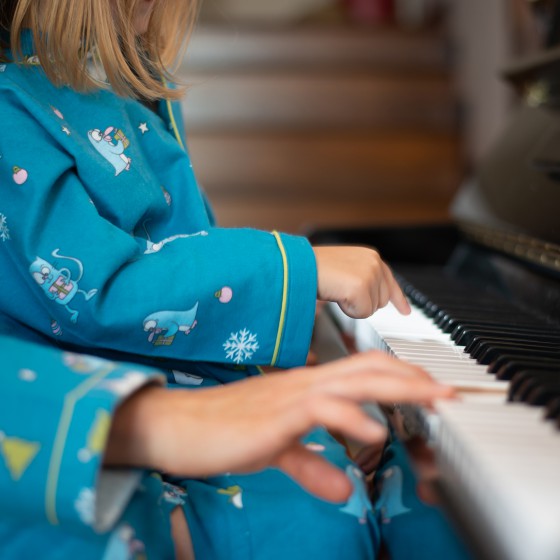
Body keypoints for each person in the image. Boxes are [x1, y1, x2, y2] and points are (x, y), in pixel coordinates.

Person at [0, 1, 470, 558]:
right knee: (329, 518)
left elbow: (182, 253)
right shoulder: (15, 101)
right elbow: (96, 289)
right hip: (91, 431)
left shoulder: (119, 86)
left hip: (182, 392)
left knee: (436, 486)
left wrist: (276, 376)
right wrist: (295, 269)